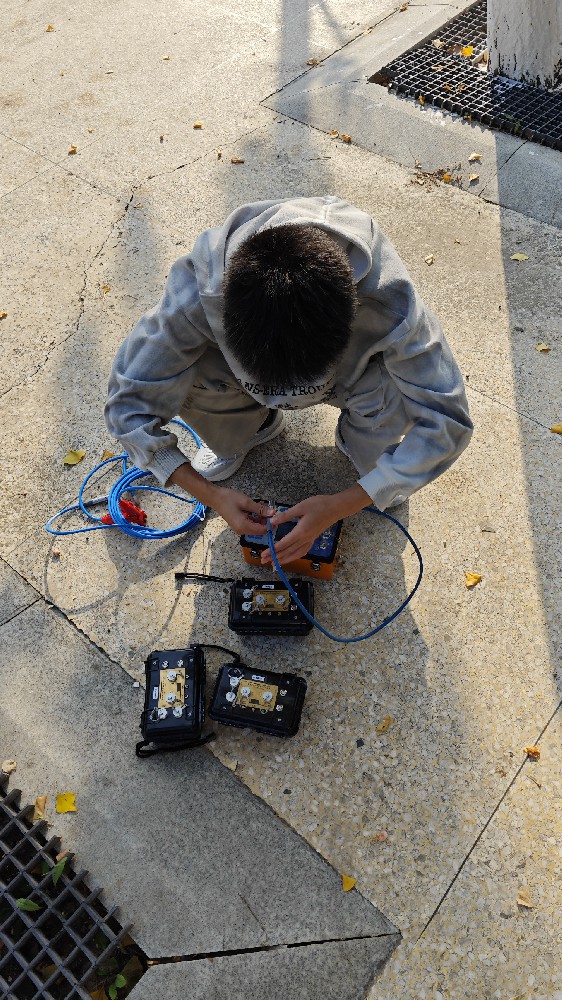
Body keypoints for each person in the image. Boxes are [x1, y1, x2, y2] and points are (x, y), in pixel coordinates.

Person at [105, 196, 472, 566]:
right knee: (192, 366)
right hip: (232, 383)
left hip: (356, 384)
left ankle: (361, 437)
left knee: (395, 426)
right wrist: (211, 496)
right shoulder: (195, 294)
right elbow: (126, 406)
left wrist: (345, 503)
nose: (287, 397)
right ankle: (249, 428)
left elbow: (447, 421)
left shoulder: (392, 301)